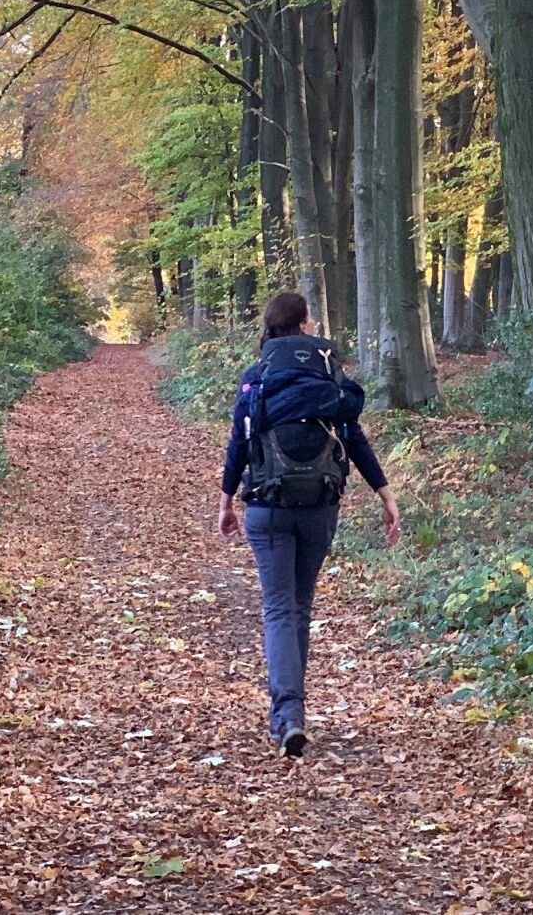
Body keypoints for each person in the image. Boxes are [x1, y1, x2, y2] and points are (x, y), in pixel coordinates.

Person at [216, 290, 401, 756]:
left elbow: (240, 442)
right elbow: (352, 436)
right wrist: (385, 493)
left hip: (266, 506)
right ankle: (291, 713)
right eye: (310, 319)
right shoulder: (330, 379)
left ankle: (288, 715)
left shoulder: (255, 380)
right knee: (300, 608)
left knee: (279, 609)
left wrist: (225, 501)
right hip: (319, 506)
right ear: (301, 326)